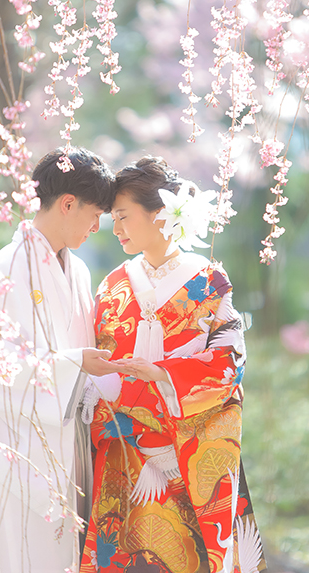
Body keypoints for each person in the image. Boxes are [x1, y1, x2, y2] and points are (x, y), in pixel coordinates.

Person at [80, 157, 267, 573]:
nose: (117, 229)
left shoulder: (207, 280)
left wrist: (163, 374)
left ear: (160, 213)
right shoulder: (113, 284)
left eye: (124, 217)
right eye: (113, 219)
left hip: (188, 450)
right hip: (126, 451)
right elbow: (97, 359)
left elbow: (228, 359)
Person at [0, 147, 124, 573]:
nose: (97, 226)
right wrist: (75, 364)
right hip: (14, 450)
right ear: (68, 203)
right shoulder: (8, 266)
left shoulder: (80, 271)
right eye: (95, 214)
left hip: (68, 439)